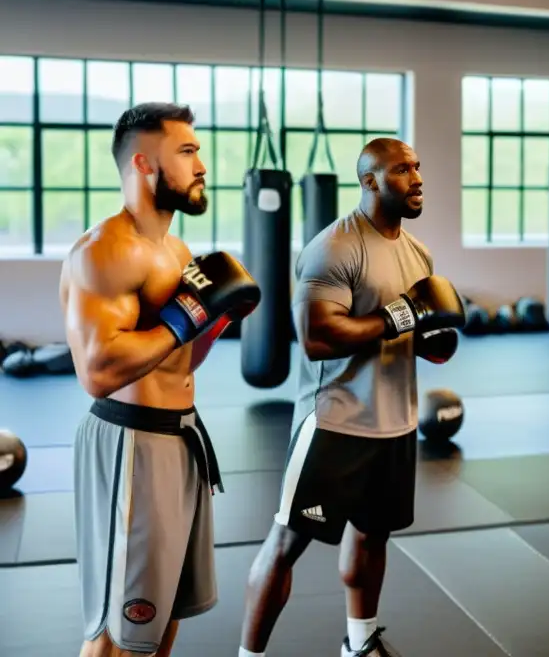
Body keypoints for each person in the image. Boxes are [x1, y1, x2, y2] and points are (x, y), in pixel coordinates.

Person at [239, 137, 465, 657]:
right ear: (370, 181)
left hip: (396, 423)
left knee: (373, 534)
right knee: (286, 543)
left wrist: (437, 336)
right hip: (335, 424)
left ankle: (359, 642)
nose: (417, 178)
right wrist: (401, 316)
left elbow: (423, 340)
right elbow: (317, 338)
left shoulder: (418, 252)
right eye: (403, 169)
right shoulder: (334, 247)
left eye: (418, 166)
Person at [62, 102, 261, 657]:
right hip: (131, 447)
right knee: (117, 634)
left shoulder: (175, 251)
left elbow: (176, 360)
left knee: (163, 615)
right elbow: (98, 373)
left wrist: (215, 319)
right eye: (188, 152)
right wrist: (184, 318)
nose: (202, 166)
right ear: (146, 164)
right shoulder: (105, 251)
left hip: (181, 441)